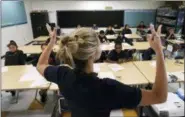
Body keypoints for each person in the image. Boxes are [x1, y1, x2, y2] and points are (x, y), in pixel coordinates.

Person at [37, 25, 167, 117]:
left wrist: (51, 43)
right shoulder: (109, 88)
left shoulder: (62, 74)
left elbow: (40, 65)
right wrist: (159, 51)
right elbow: (159, 96)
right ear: (93, 54)